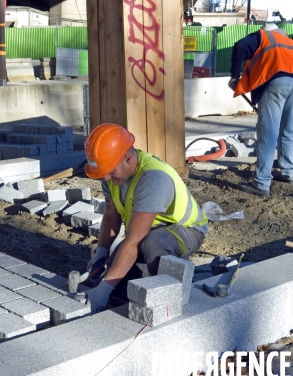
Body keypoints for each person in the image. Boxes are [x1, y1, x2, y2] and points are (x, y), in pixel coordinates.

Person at [83, 123, 208, 313]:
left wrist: (103, 290)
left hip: (186, 230)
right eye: (103, 173)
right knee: (116, 274)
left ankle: (170, 296)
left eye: (110, 172)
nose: (106, 179)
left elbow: (134, 240)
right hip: (148, 230)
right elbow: (111, 214)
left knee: (152, 245)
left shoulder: (152, 179)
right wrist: (102, 251)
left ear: (127, 158)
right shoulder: (112, 173)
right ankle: (142, 279)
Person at [228, 22, 293, 196]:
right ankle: (289, 173)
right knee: (287, 129)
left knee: (268, 132)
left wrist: (235, 76)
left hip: (276, 82)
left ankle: (261, 183)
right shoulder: (292, 44)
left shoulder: (263, 36)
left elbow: (240, 46)